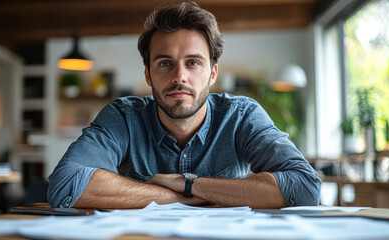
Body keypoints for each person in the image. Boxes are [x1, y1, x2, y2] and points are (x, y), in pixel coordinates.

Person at [47, 2, 321, 209]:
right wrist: (182, 197)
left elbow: (306, 187)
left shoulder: (241, 115)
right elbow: (65, 184)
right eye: (165, 63)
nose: (180, 76)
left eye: (193, 63)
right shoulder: (123, 116)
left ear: (213, 73)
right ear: (148, 74)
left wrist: (188, 183)